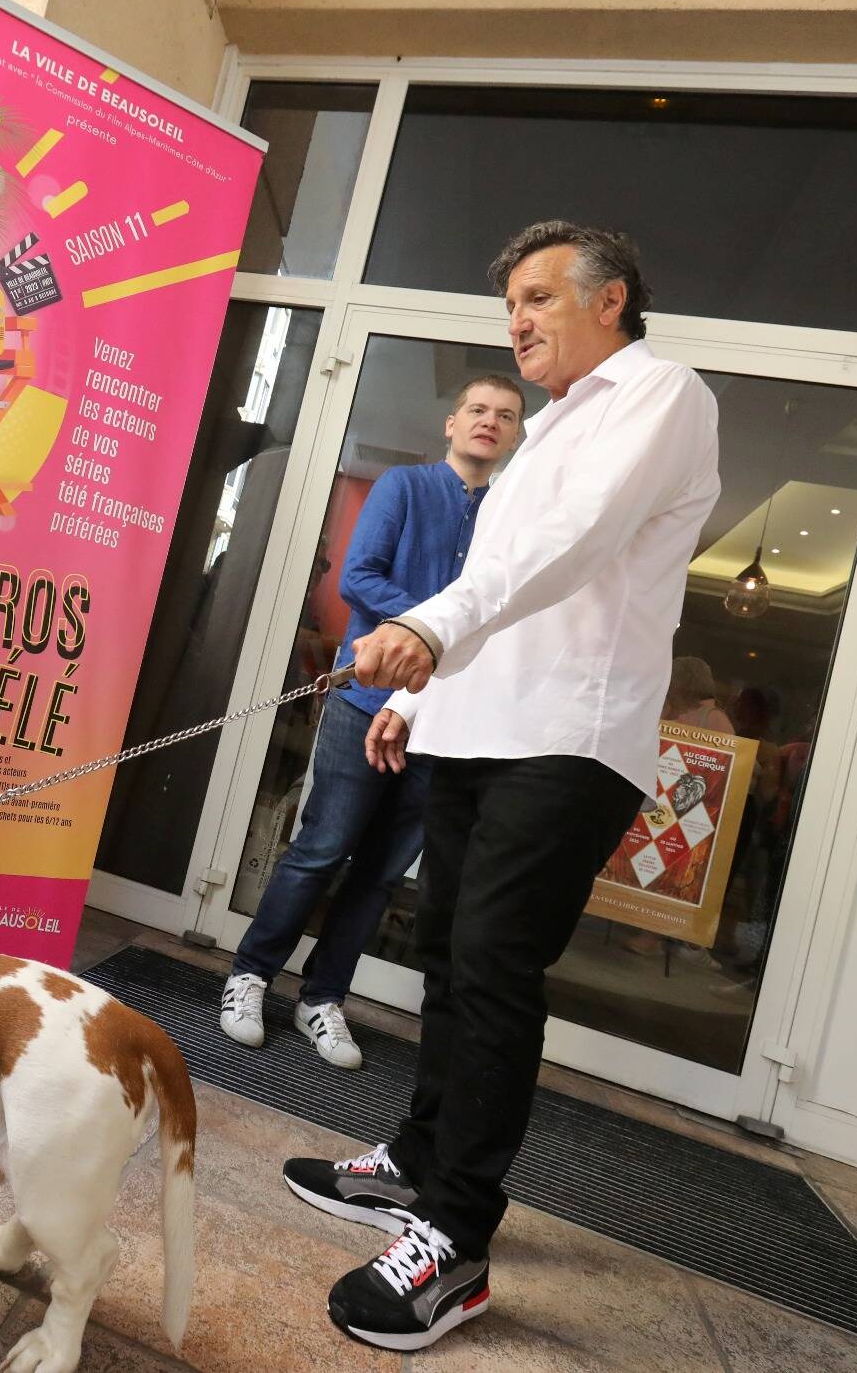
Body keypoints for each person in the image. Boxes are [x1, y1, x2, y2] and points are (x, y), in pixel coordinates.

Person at [283, 221, 720, 1352]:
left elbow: (575, 545)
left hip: (568, 739)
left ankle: (457, 1240)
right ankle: (416, 1162)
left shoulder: (660, 395)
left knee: (489, 970)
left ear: (610, 300)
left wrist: (428, 631)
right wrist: (424, 700)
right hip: (479, 726)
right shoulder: (553, 426)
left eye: (537, 297)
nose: (516, 322)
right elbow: (501, 584)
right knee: (443, 957)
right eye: (510, 305)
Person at [220, 375, 524, 1068]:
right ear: (452, 423)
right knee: (322, 849)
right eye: (478, 409)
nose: (489, 421)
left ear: (514, 436)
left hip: (443, 722)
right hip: (363, 704)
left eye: (505, 416)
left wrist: (454, 635)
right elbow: (358, 578)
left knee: (382, 874)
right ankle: (251, 975)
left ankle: (322, 999)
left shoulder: (510, 518)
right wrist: (439, 626)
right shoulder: (403, 487)